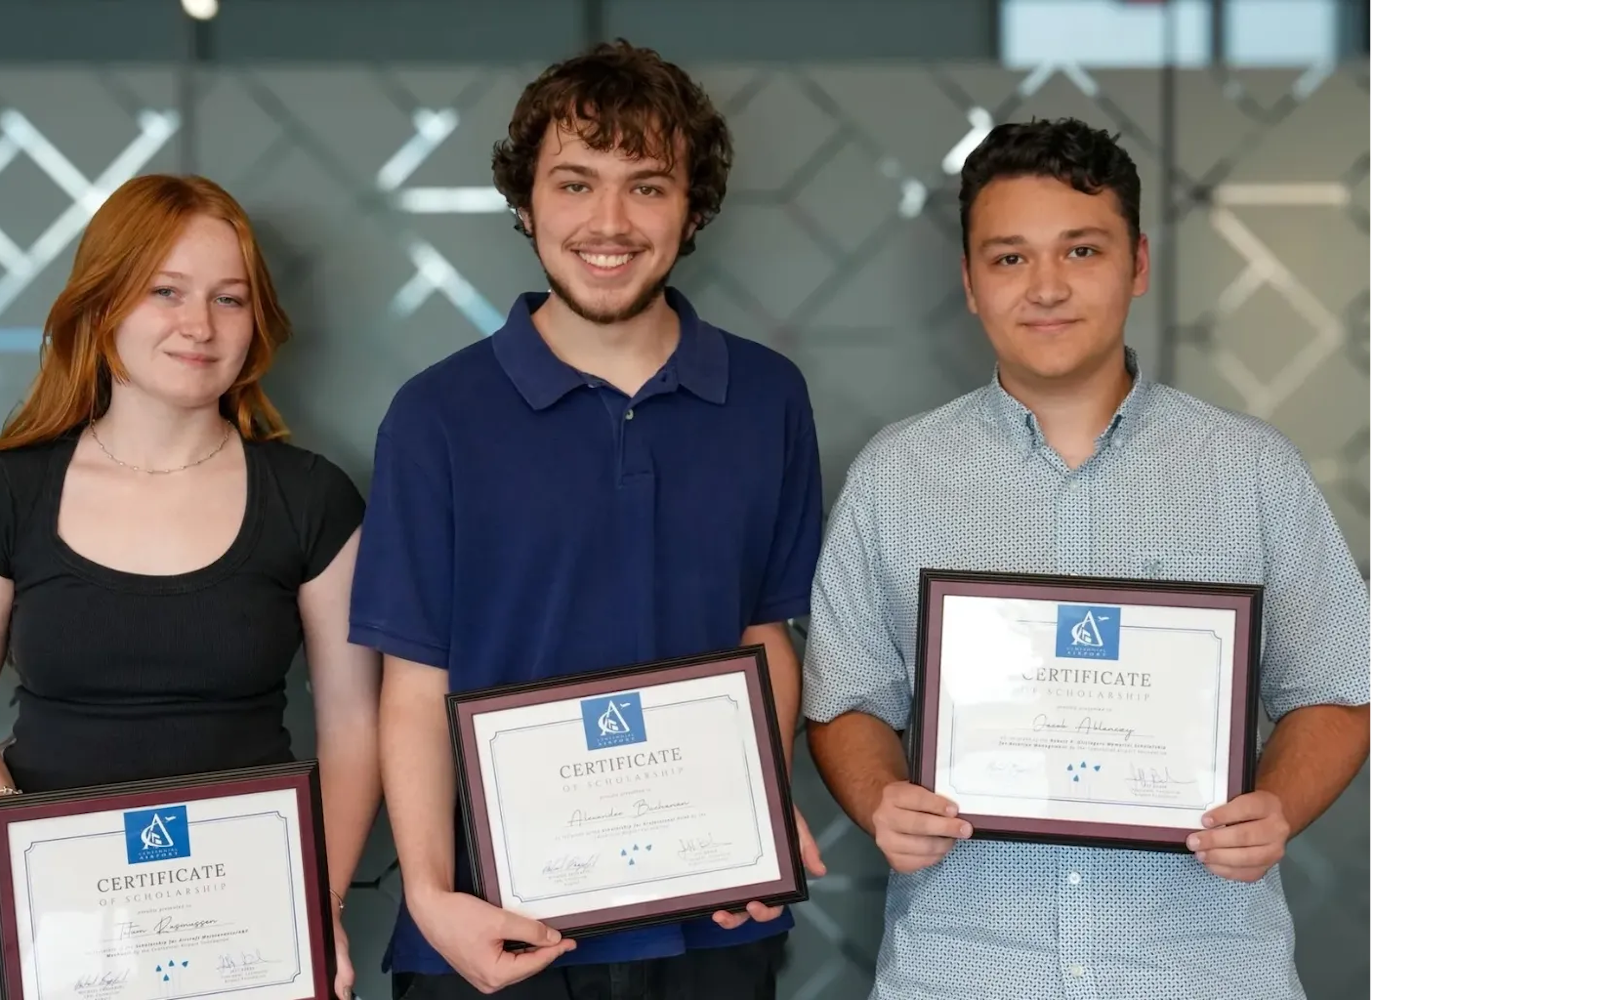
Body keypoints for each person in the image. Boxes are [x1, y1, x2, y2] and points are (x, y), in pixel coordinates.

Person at [801, 118, 1372, 1000]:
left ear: (1137, 263)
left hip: (1204, 971)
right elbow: (845, 699)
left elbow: (1338, 686)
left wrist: (1279, 806)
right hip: (962, 970)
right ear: (968, 281)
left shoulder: (1251, 470)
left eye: (1081, 249)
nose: (1047, 288)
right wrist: (881, 795)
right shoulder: (896, 475)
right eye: (1009, 257)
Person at [349, 39, 827, 1000]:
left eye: (647, 186)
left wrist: (756, 823)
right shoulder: (436, 414)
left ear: (693, 210)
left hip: (708, 927)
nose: (609, 222)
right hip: (494, 932)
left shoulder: (768, 397)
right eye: (575, 183)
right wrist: (436, 898)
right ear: (526, 203)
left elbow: (763, 634)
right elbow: (412, 681)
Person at [0, 174, 381, 1000]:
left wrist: (319, 902)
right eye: (166, 291)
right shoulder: (1, 494)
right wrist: (3, 825)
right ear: (102, 306)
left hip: (249, 922)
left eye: (229, 299)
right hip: (49, 918)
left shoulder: (313, 498)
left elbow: (354, 725)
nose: (199, 325)